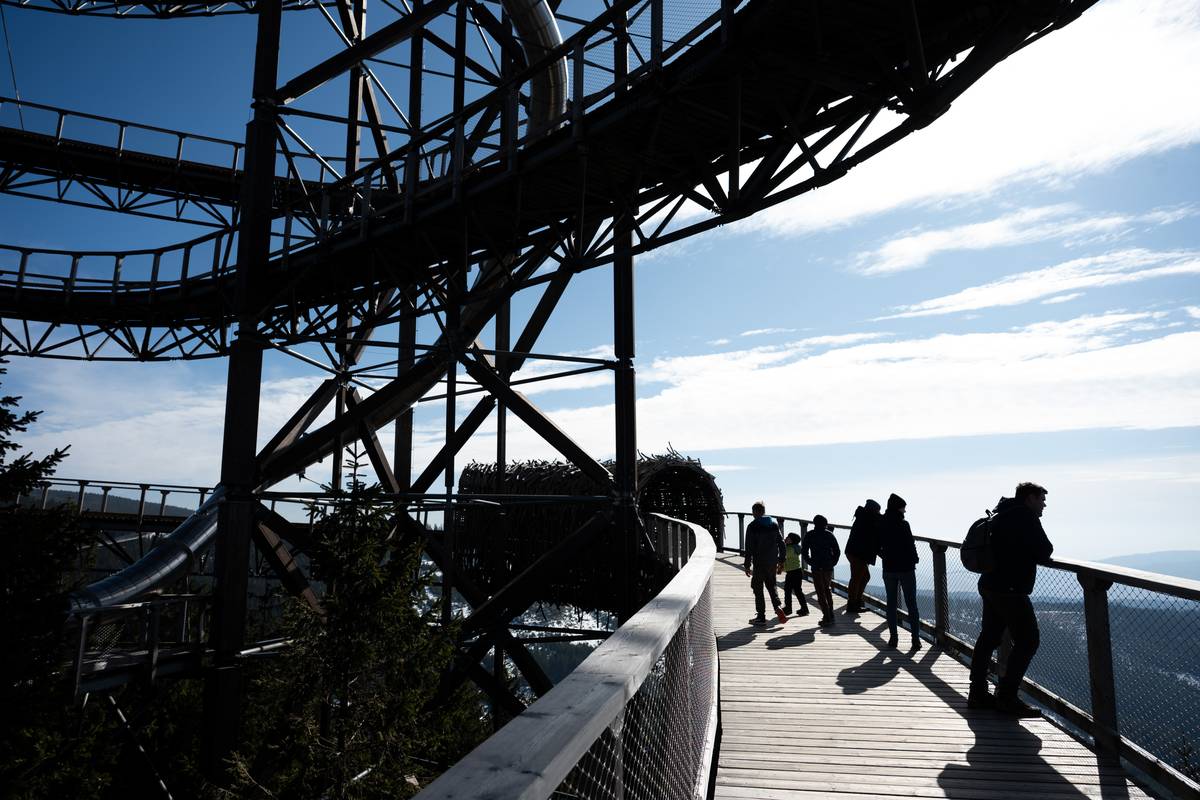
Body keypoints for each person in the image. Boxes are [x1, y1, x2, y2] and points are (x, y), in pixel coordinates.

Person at [968, 482, 1054, 718]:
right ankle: (1006, 697)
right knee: (1028, 640)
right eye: (1041, 499)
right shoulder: (1025, 517)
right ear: (1030, 498)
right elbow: (1045, 550)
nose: (1044, 505)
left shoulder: (1001, 513)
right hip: (1010, 588)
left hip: (990, 583)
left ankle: (977, 693)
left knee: (989, 637)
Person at [878, 493, 920, 650]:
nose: (905, 511)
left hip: (889, 568)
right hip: (906, 568)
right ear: (898, 508)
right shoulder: (904, 524)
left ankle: (893, 638)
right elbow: (910, 544)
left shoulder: (882, 523)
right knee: (911, 604)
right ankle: (915, 640)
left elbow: (876, 544)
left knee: (891, 604)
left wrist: (884, 555)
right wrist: (915, 559)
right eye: (903, 508)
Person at [743, 501, 788, 626]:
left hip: (759, 562)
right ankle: (778, 607)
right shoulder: (773, 524)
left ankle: (761, 617)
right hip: (772, 562)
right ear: (764, 511)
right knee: (772, 585)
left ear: (754, 512)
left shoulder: (752, 526)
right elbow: (782, 544)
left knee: (757, 588)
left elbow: (749, 547)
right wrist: (781, 561)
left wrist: (747, 565)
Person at [802, 515, 840, 626]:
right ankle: (831, 614)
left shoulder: (810, 535)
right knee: (827, 589)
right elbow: (837, 551)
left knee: (820, 591)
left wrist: (810, 561)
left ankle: (826, 616)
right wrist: (833, 562)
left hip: (816, 566)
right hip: (828, 566)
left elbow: (804, 551)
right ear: (825, 524)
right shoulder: (829, 534)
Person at [844, 499, 882, 613]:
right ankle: (853, 604)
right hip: (858, 553)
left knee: (862, 577)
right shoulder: (868, 518)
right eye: (878, 511)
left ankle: (855, 602)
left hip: (855, 552)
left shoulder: (863, 516)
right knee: (857, 578)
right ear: (873, 510)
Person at [781, 532, 809, 617]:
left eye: (788, 537)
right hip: (796, 571)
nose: (786, 538)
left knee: (788, 590)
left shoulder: (789, 549)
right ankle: (804, 608)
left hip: (792, 572)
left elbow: (783, 557)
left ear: (792, 540)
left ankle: (788, 608)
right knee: (797, 591)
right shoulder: (795, 547)